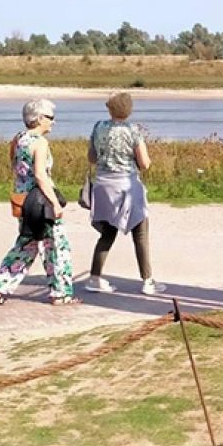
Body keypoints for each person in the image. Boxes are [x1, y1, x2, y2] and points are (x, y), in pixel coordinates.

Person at [0, 99, 80, 306]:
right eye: (50, 118)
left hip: (23, 199)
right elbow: (41, 175)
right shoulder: (40, 143)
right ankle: (61, 292)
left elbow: (15, 167)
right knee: (56, 245)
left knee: (28, 243)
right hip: (40, 201)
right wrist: (55, 203)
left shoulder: (18, 139)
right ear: (40, 118)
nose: (53, 123)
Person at [84, 92, 163, 295]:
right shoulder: (133, 131)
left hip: (104, 186)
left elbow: (92, 157)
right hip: (126, 185)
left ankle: (95, 277)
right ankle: (147, 280)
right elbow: (144, 163)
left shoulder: (98, 127)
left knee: (108, 234)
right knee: (141, 233)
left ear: (110, 108)